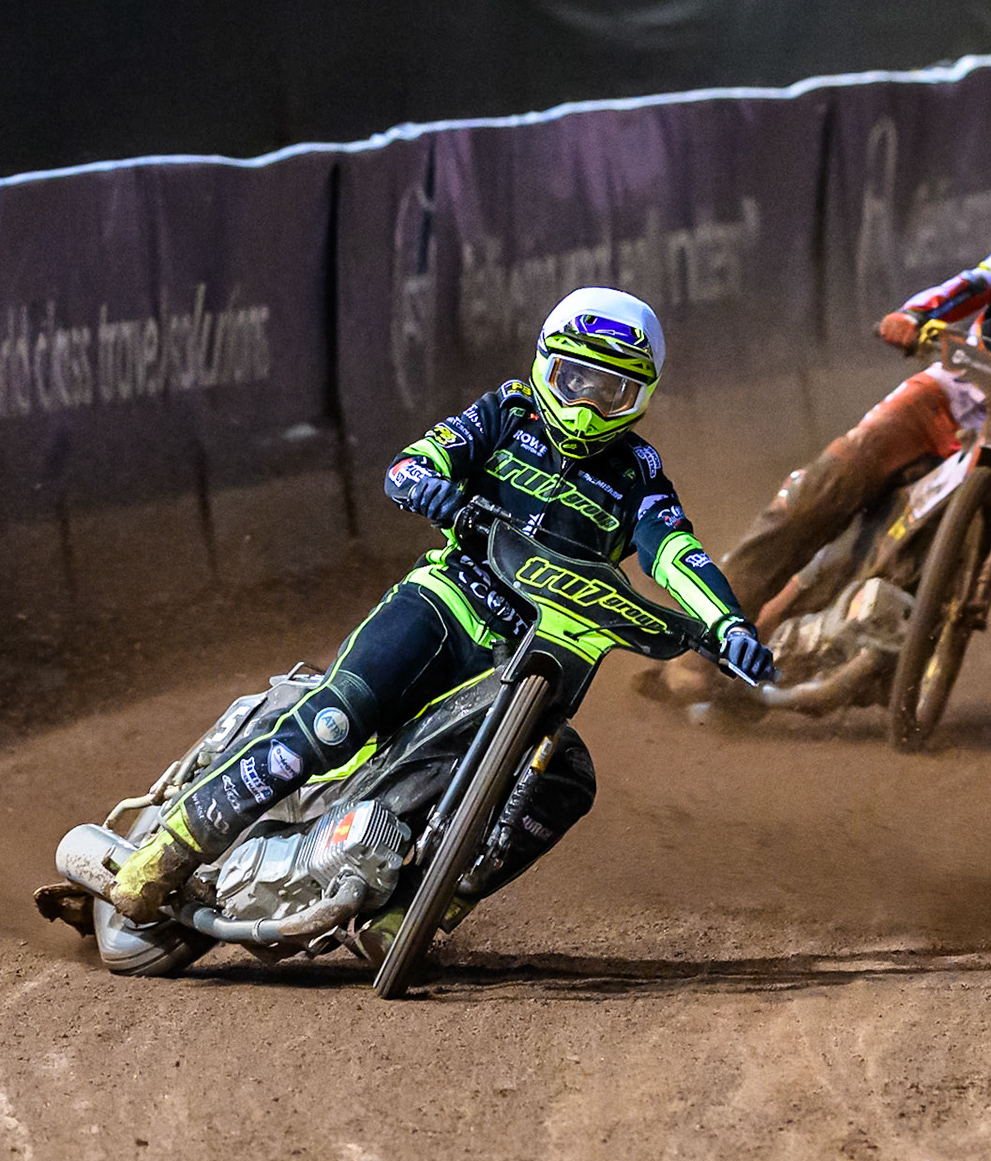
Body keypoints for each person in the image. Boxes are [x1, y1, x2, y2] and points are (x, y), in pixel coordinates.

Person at [107, 287, 775, 950]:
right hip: (447, 600)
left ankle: (417, 910)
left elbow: (674, 551)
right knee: (336, 718)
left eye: (610, 392)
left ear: (641, 398)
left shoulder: (639, 474)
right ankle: (172, 844)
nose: (585, 405)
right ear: (547, 364)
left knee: (564, 778)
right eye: (574, 380)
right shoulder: (508, 412)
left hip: (528, 653)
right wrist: (426, 481)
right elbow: (418, 459)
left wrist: (728, 625)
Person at [655, 166, 991, 701]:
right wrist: (912, 317)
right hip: (935, 401)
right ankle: (699, 641)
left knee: (891, 555)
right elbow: (961, 289)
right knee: (817, 493)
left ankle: (869, 653)